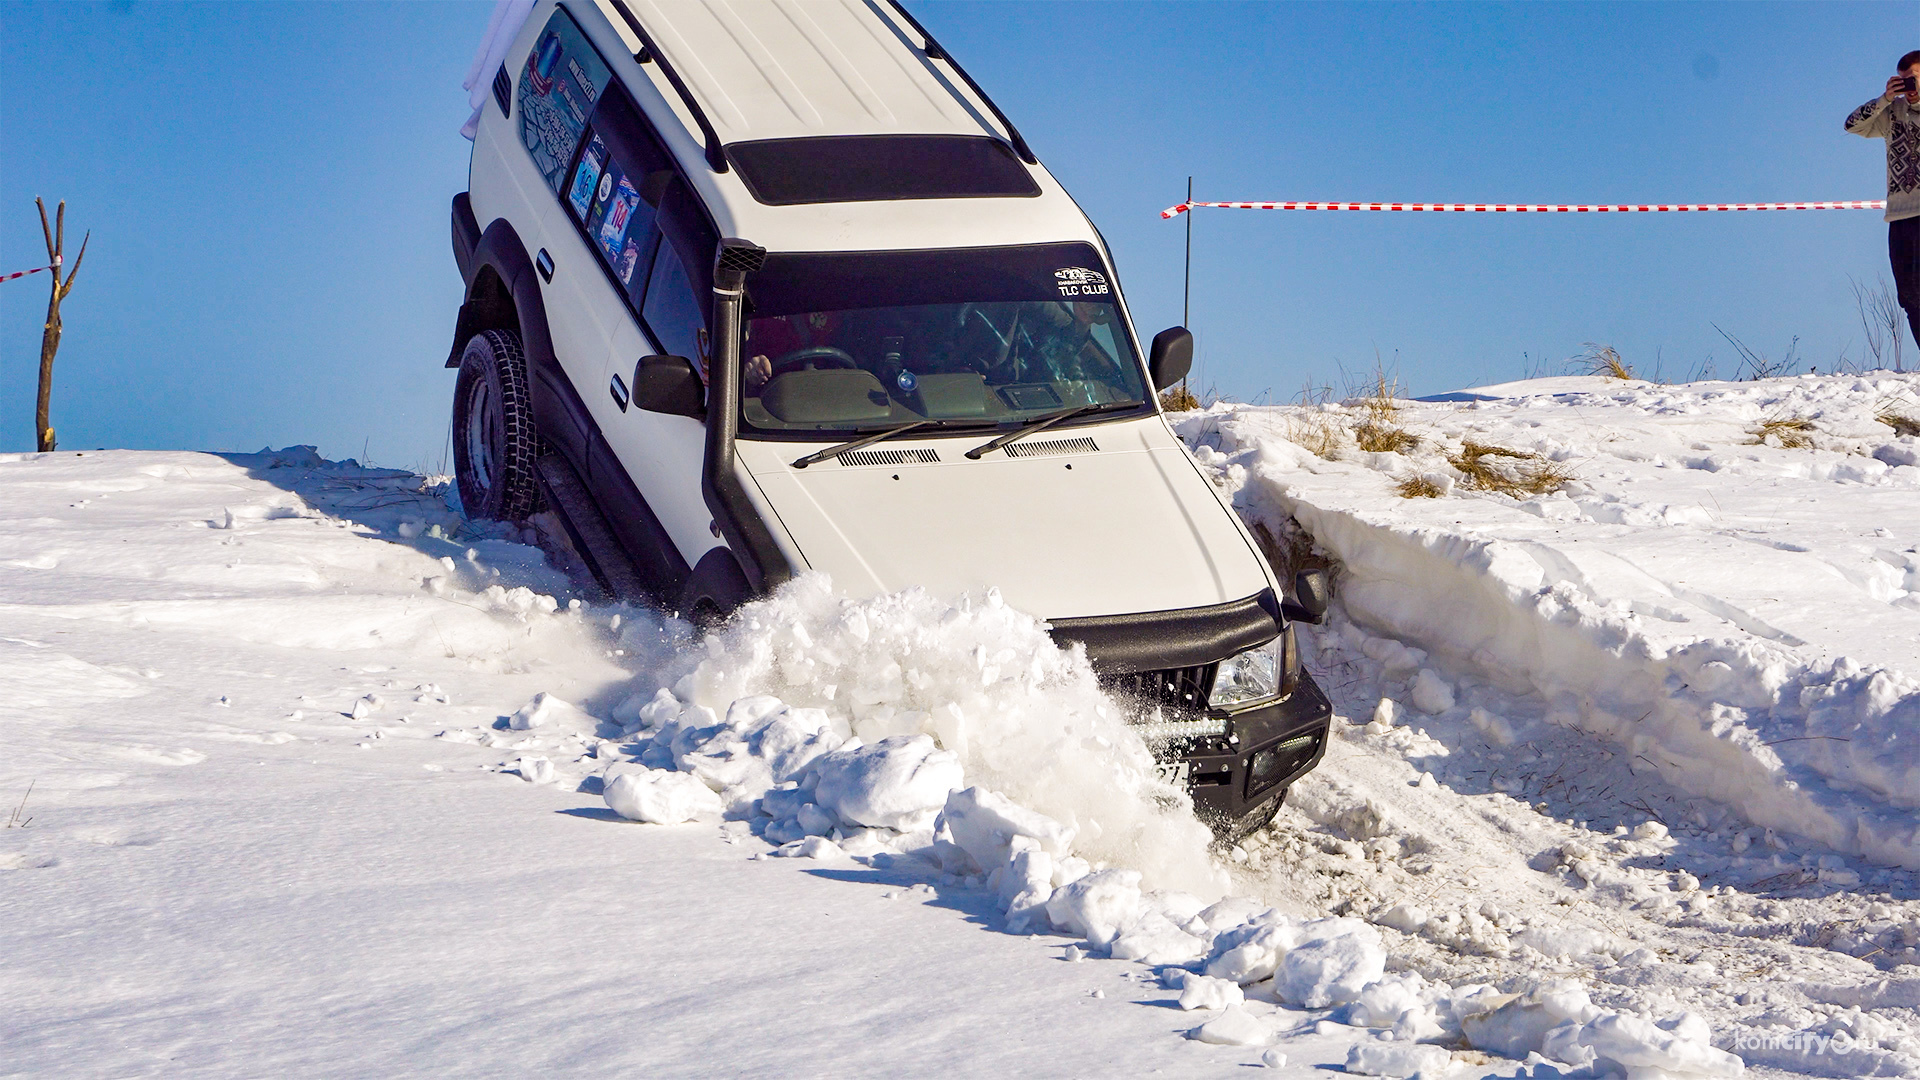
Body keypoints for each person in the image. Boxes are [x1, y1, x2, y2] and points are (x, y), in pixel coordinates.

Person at [1845, 50, 1920, 351]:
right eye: (1903, 80)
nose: (1908, 86)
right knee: (1910, 295)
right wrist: (1885, 99)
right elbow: (1851, 125)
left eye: (1913, 79)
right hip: (1900, 215)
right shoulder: (1891, 112)